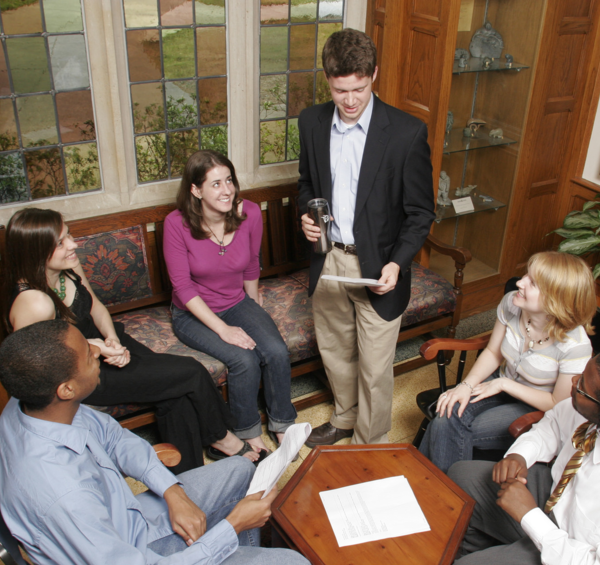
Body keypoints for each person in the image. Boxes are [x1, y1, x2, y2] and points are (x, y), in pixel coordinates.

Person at [0, 320, 314, 565]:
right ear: (66, 388)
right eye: (87, 353)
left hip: (129, 522)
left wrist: (172, 491)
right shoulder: (64, 495)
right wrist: (232, 527)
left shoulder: (30, 404)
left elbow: (114, 437)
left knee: (240, 468)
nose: (98, 351)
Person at [0, 207, 265, 474]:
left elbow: (96, 307)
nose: (73, 244)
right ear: (35, 251)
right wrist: (97, 349)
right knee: (191, 372)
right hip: (86, 372)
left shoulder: (67, 265)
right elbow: (40, 368)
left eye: (68, 235)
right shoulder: (33, 302)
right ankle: (224, 439)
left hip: (108, 343)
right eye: (60, 242)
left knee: (176, 394)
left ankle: (189, 477)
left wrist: (112, 340)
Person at [298, 28, 435, 446]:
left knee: (375, 370)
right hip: (330, 261)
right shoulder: (312, 121)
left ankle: (369, 445)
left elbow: (420, 212)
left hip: (381, 267)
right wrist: (308, 213)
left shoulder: (407, 133)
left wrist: (397, 263)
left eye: (359, 88)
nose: (351, 100)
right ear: (328, 81)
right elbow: (306, 182)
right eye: (341, 91)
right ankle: (343, 418)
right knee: (337, 354)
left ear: (373, 74)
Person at [163, 150, 297, 454]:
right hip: (193, 313)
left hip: (237, 301)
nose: (226, 190)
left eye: (229, 181)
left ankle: (282, 424)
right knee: (244, 360)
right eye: (215, 184)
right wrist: (224, 329)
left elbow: (251, 265)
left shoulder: (248, 212)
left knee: (275, 350)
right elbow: (182, 288)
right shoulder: (176, 224)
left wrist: (253, 308)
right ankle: (248, 434)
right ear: (196, 191)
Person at [440, 353, 600, 565]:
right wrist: (519, 456)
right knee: (463, 475)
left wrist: (529, 516)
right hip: (556, 495)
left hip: (573, 552)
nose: (573, 381)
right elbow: (553, 425)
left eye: (582, 387)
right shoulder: (583, 408)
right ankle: (478, 556)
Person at [419, 251, 595, 473]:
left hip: (534, 405)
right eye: (525, 275)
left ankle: (438, 492)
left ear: (555, 298)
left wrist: (503, 384)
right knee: (448, 409)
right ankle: (435, 490)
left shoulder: (575, 346)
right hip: (500, 381)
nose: (519, 282)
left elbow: (557, 403)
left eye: (532, 282)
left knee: (447, 425)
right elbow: (493, 352)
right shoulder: (512, 304)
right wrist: (466, 385)